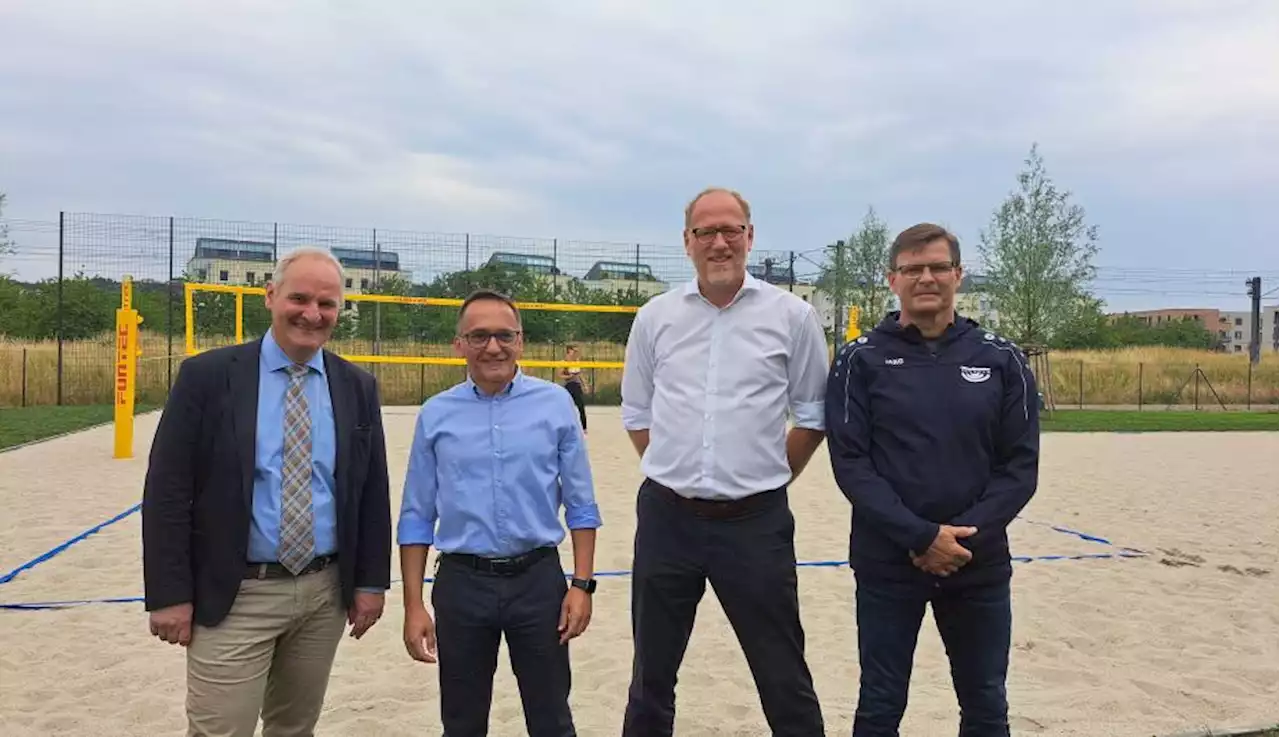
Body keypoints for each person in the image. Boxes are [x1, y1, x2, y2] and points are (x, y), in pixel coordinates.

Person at [141, 246, 392, 737]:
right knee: (221, 729)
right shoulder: (208, 377)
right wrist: (169, 595)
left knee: (294, 728)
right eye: (299, 298)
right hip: (235, 592)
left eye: (327, 304)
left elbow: (371, 492)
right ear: (271, 296)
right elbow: (168, 491)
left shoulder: (356, 385)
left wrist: (369, 583)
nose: (312, 314)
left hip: (323, 591)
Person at [619, 187, 830, 736]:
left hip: (755, 523)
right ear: (687, 242)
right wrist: (677, 472)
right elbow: (637, 412)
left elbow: (811, 414)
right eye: (706, 232)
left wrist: (765, 476)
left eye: (730, 229)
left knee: (783, 674)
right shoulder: (655, 317)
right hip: (668, 519)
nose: (719, 241)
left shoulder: (793, 316)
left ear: (750, 236)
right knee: (650, 679)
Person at [824, 223, 1040, 736]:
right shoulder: (860, 359)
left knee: (986, 703)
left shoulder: (1001, 358)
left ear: (958, 275)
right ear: (891, 279)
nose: (926, 277)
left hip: (977, 562)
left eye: (938, 267)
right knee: (880, 703)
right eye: (912, 268)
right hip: (888, 562)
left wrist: (959, 539)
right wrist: (921, 536)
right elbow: (851, 463)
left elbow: (1020, 468)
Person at [398, 289, 602, 737]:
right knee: (463, 721)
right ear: (459, 344)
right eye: (479, 336)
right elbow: (416, 515)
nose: (493, 346)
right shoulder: (436, 415)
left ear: (521, 340)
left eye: (504, 335)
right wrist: (413, 605)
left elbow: (582, 505)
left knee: (551, 717)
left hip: (538, 581)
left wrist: (582, 585)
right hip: (462, 585)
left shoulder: (555, 405)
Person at [560, 343, 588, 433]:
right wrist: (569, 376)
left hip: (576, 385)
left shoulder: (576, 362)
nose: (576, 353)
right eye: (574, 351)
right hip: (569, 385)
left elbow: (580, 375)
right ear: (569, 351)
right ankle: (566, 425)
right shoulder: (564, 362)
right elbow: (560, 375)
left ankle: (584, 427)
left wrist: (585, 385)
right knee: (566, 407)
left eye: (577, 351)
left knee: (581, 406)